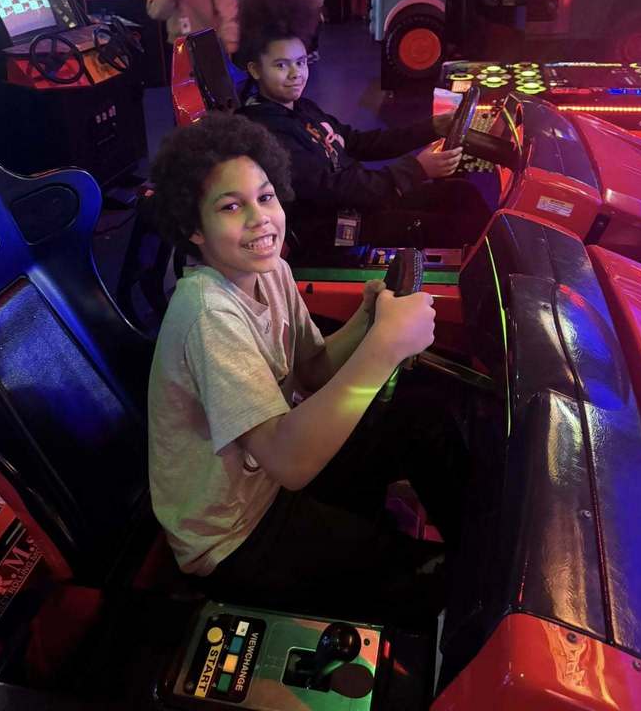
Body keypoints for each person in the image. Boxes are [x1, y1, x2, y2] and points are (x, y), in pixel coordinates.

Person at [147, 112, 467, 621]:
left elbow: (314, 369)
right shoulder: (209, 315)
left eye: (266, 197)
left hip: (271, 478)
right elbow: (289, 463)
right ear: (194, 228)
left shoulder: (270, 269)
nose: (260, 219)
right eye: (231, 206)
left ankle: (484, 547)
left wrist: (366, 321)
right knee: (415, 578)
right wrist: (384, 347)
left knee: (422, 416)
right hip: (233, 533)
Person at [235, 0, 491, 254]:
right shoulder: (264, 131)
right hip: (336, 227)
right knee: (460, 225)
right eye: (281, 65)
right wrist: (416, 169)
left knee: (461, 194)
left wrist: (431, 127)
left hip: (361, 201)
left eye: (300, 62)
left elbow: (359, 142)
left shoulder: (302, 108)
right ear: (255, 69)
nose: (296, 74)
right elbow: (332, 189)